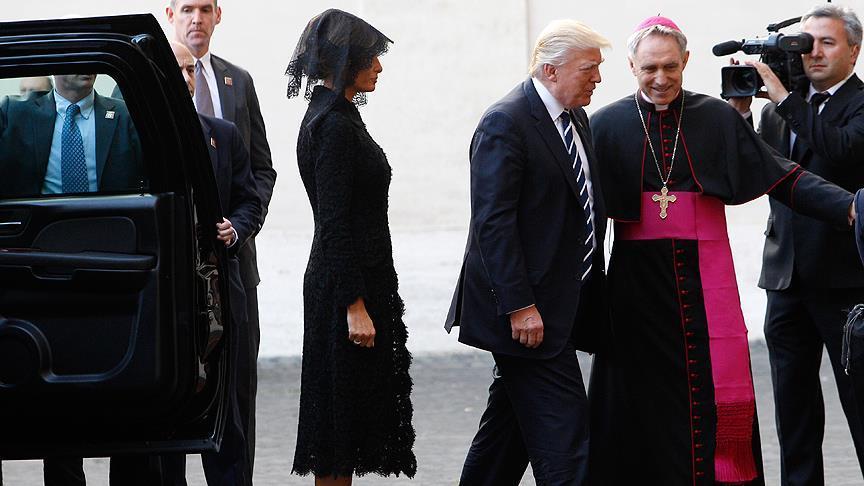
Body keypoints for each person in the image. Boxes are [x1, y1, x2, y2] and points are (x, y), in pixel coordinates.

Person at [587, 16, 855, 485]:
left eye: (671, 66)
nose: (661, 78)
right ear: (631, 66)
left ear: (686, 62)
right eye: (650, 67)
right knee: (636, 402)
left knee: (708, 396)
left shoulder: (713, 117)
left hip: (702, 287)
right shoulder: (604, 125)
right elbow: (574, 212)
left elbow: (783, 176)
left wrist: (850, 208)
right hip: (633, 291)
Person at [445, 19, 611, 485]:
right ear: (550, 71)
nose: (597, 78)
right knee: (567, 443)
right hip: (527, 314)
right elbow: (492, 224)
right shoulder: (506, 122)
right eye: (589, 69)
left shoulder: (574, 117)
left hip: (560, 305)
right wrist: (520, 306)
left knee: (506, 436)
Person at [728, 4, 864, 484]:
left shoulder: (856, 106)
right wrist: (741, 117)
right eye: (807, 44)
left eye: (828, 43)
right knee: (793, 409)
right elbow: (754, 170)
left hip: (848, 282)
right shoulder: (779, 111)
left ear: (854, 48)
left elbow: (841, 150)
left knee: (861, 402)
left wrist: (786, 99)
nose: (815, 53)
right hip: (785, 278)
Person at [287, 9, 416, 484]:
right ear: (347, 61)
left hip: (349, 279)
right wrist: (354, 305)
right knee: (337, 434)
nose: (379, 67)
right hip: (345, 287)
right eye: (371, 58)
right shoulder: (335, 126)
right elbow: (335, 225)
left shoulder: (334, 115)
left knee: (346, 426)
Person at [167, 2, 276, 480]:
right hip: (174, 279)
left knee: (235, 399)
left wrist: (241, 225)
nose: (197, 19)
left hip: (233, 273)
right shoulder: (161, 81)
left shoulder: (238, 81)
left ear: (218, 15)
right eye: (186, 8)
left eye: (204, 9)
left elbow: (260, 169)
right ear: (170, 13)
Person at [0, 74, 143, 199]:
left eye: (91, 55)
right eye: (79, 56)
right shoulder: (14, 113)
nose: (88, 63)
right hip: (41, 224)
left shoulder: (125, 114)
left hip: (110, 221)